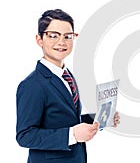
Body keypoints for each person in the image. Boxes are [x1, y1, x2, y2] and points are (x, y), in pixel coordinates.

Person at [16, 9, 120, 163]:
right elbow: (25, 136)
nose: (61, 42)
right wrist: (71, 135)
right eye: (53, 36)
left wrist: (98, 118)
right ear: (39, 40)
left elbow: (65, 118)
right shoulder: (32, 85)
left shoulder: (67, 75)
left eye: (68, 36)